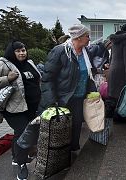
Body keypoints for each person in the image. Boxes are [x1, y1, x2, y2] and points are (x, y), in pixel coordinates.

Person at [0, 41, 41, 179]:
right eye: (18, 51)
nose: (22, 53)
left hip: (31, 107)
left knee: (21, 133)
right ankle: (21, 164)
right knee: (24, 133)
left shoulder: (30, 62)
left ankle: (15, 157)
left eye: (23, 50)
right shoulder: (2, 64)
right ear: (11, 52)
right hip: (14, 109)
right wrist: (7, 78)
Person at [38, 24, 96, 153]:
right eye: (87, 36)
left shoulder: (87, 53)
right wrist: (52, 101)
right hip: (63, 99)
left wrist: (93, 92)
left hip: (79, 98)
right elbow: (47, 78)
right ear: (78, 37)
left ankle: (71, 151)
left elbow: (89, 74)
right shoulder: (60, 51)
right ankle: (60, 155)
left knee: (76, 126)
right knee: (62, 130)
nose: (89, 38)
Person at [108, 23, 126, 122]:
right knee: (123, 96)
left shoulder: (115, 39)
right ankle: (120, 118)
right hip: (123, 71)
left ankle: (111, 117)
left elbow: (111, 57)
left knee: (114, 96)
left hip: (113, 69)